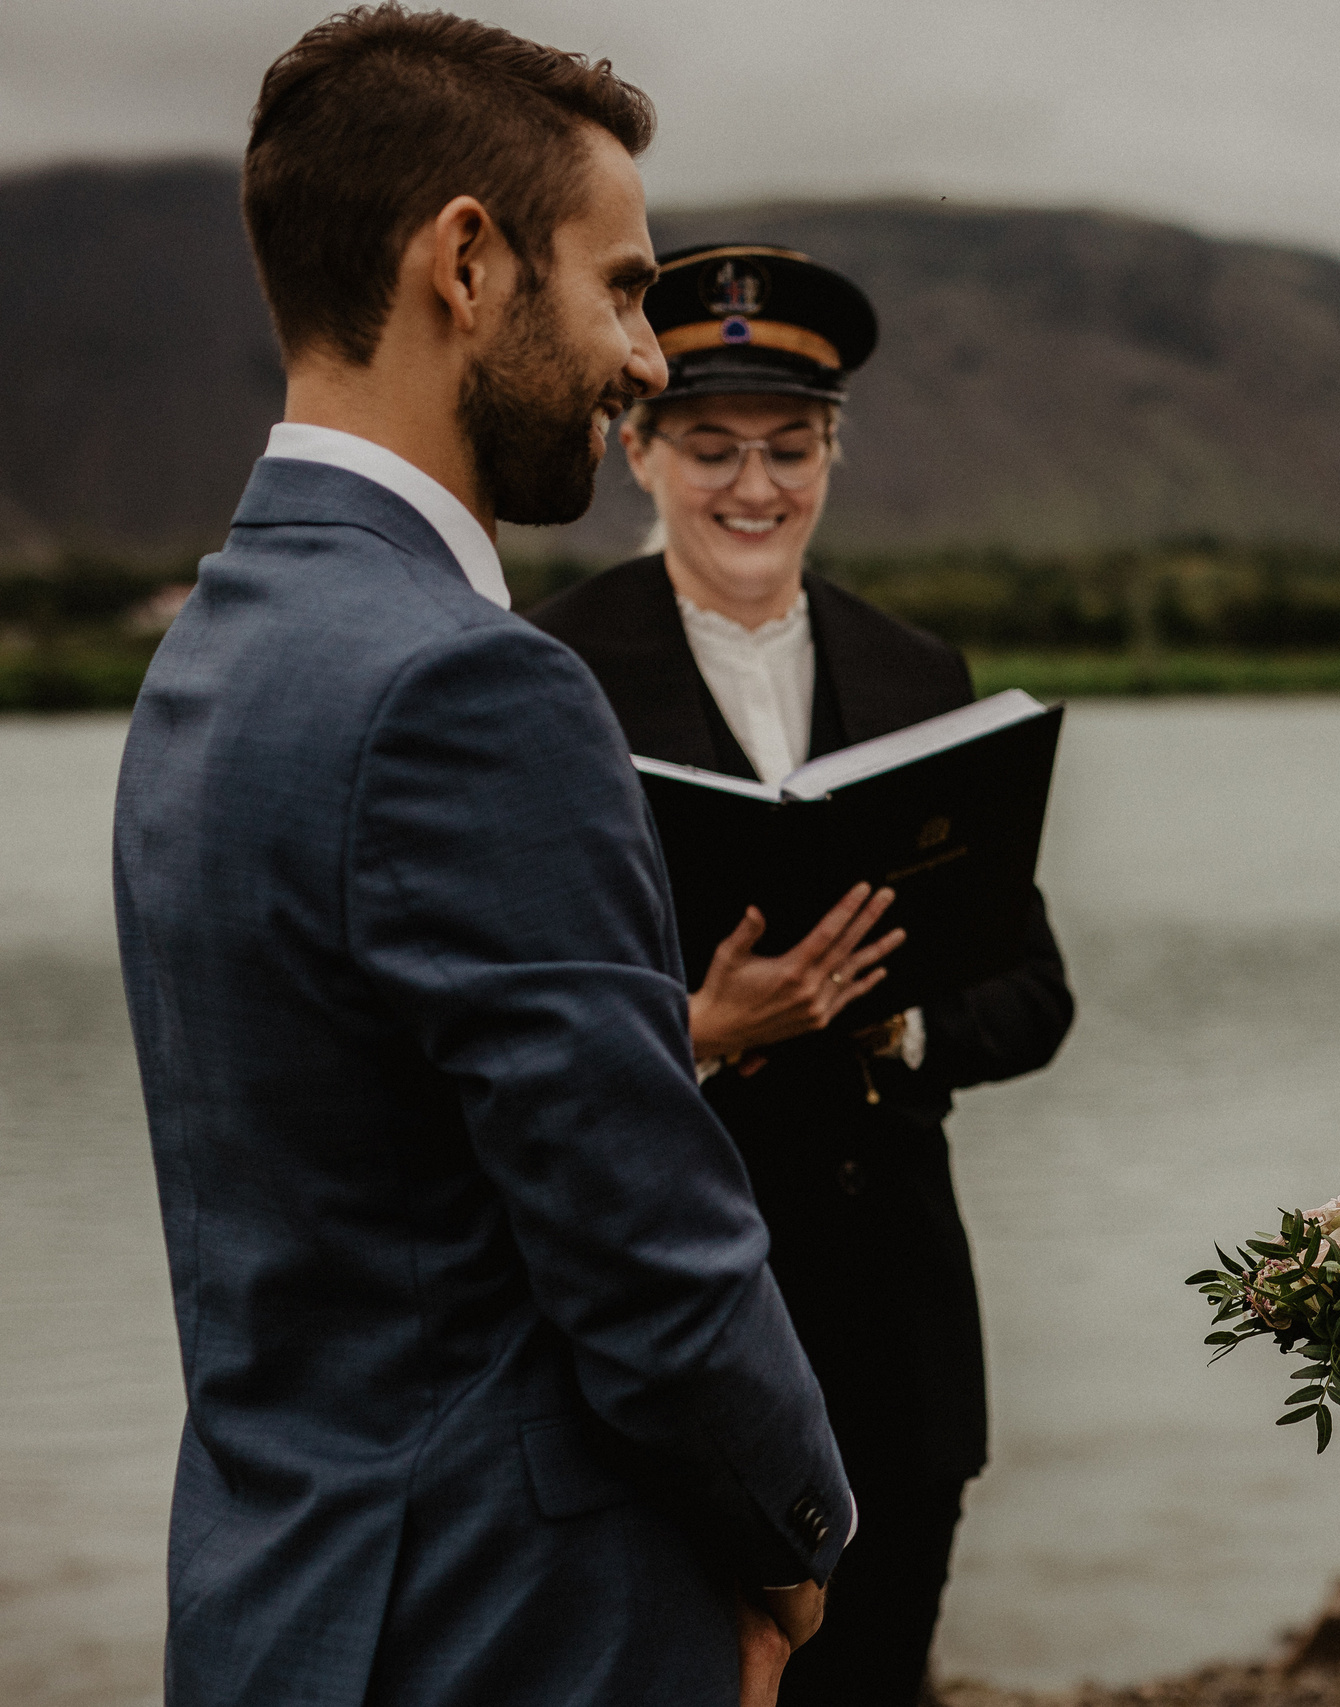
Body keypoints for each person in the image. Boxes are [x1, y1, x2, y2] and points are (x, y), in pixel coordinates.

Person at [111, 12, 853, 1705]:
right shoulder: (470, 684)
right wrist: (793, 1542)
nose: (648, 359)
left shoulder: (214, 647)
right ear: (466, 260)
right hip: (505, 1624)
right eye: (617, 286)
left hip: (278, 1602)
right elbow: (642, 1236)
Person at [529, 244, 1076, 1706]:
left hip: (896, 1339)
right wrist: (703, 1030)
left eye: (790, 447)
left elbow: (1032, 997)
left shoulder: (919, 674)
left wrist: (888, 1018)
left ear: (834, 449)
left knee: (876, 1684)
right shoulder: (543, 673)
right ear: (637, 446)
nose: (754, 486)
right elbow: (507, 1033)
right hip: (657, 1350)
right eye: (712, 446)